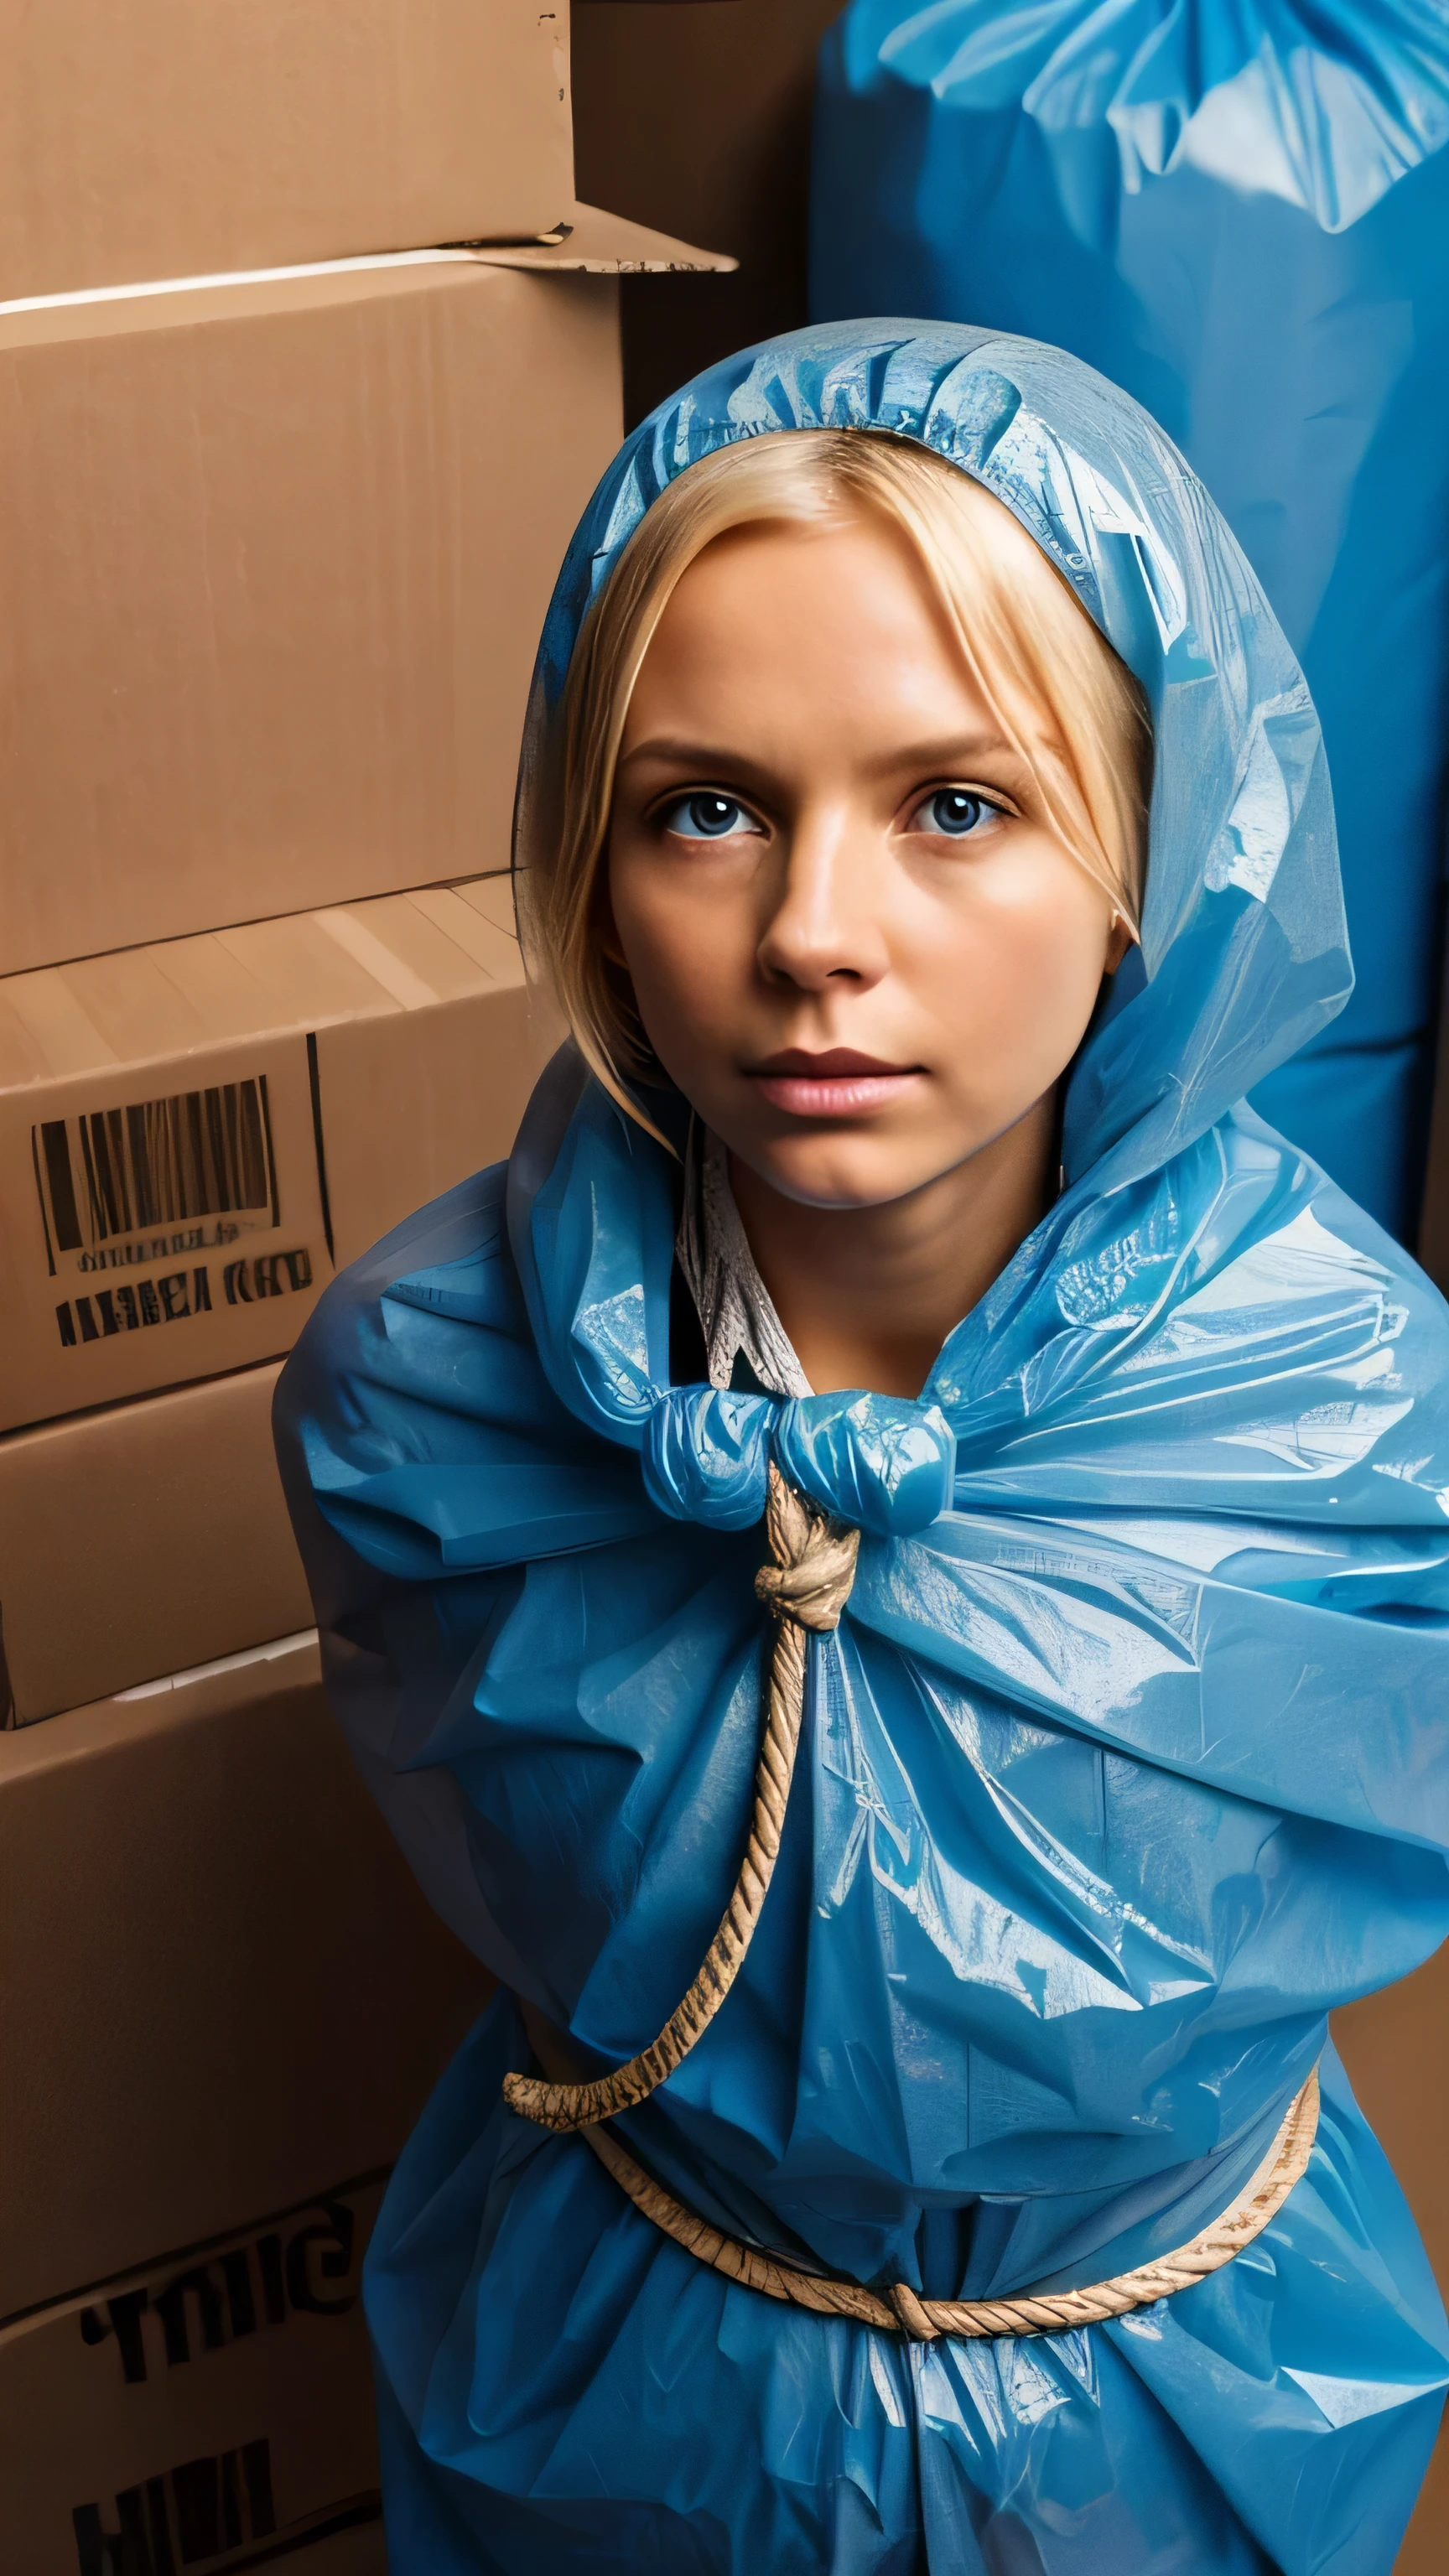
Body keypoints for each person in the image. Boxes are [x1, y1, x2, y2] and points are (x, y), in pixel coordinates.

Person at [274, 322, 1449, 2573]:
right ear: (588, 865)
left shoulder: (1354, 1426)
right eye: (705, 809)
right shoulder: (418, 1402)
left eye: (959, 807)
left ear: (1152, 862)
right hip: (626, 2401)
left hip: (1179, 2425)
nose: (816, 938)